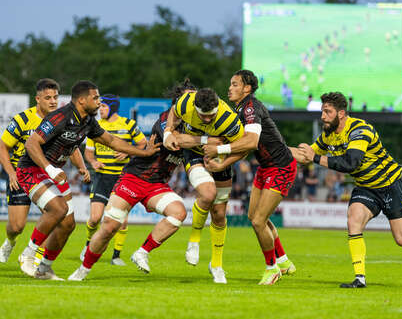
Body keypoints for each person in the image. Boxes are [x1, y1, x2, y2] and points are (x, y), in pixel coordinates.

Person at [68, 80, 222, 281]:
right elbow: (176, 141)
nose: (193, 101)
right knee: (109, 228)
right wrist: (209, 141)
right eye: (188, 97)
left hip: (157, 185)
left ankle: (141, 252)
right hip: (134, 178)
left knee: (178, 213)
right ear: (178, 101)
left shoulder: (197, 125)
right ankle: (84, 269)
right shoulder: (166, 119)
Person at [15, 80, 159, 280]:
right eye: (96, 98)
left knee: (68, 225)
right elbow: (31, 143)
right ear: (82, 100)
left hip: (52, 173)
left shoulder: (88, 121)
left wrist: (143, 152)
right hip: (31, 169)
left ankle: (44, 269)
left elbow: (111, 141)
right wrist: (49, 168)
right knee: (58, 209)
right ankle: (28, 254)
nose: (99, 102)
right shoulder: (60, 117)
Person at [298, 91, 402, 288]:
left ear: (341, 114)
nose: (322, 116)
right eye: (322, 111)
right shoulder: (328, 135)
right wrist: (275, 149)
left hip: (391, 184)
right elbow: (306, 154)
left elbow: (351, 164)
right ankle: (360, 278)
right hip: (366, 187)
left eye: (327, 112)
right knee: (353, 219)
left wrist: (314, 158)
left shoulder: (360, 130)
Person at [203, 70, 307, 285]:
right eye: (230, 84)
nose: (229, 88)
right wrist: (222, 163)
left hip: (281, 167)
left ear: (247, 88)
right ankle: (284, 261)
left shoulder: (251, 107)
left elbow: (250, 142)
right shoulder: (240, 109)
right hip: (266, 168)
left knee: (259, 221)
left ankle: (272, 269)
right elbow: (245, 150)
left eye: (234, 84)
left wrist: (220, 151)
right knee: (254, 217)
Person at [164, 87, 245, 284]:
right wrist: (168, 131)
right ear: (195, 107)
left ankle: (216, 265)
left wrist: (223, 163)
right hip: (194, 154)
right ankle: (194, 240)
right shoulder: (185, 103)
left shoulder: (230, 120)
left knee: (219, 214)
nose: (207, 120)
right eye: (203, 116)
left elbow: (244, 147)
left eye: (211, 116)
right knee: (208, 195)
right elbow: (174, 111)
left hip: (221, 157)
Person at [79, 94, 146, 266]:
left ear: (113, 108)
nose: (100, 109)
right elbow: (88, 152)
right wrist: (93, 162)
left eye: (103, 106)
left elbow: (142, 144)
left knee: (121, 221)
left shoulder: (128, 125)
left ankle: (116, 256)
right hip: (102, 177)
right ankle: (88, 246)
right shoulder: (96, 126)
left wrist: (127, 151)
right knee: (94, 218)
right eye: (99, 106)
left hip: (123, 179)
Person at [0, 79, 60, 264]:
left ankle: (35, 257)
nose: (53, 101)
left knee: (56, 214)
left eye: (55, 97)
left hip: (43, 176)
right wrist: (10, 172)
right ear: (38, 99)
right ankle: (9, 242)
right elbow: (3, 146)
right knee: (16, 227)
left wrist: (82, 167)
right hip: (20, 176)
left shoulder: (60, 120)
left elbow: (71, 147)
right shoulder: (23, 119)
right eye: (48, 98)